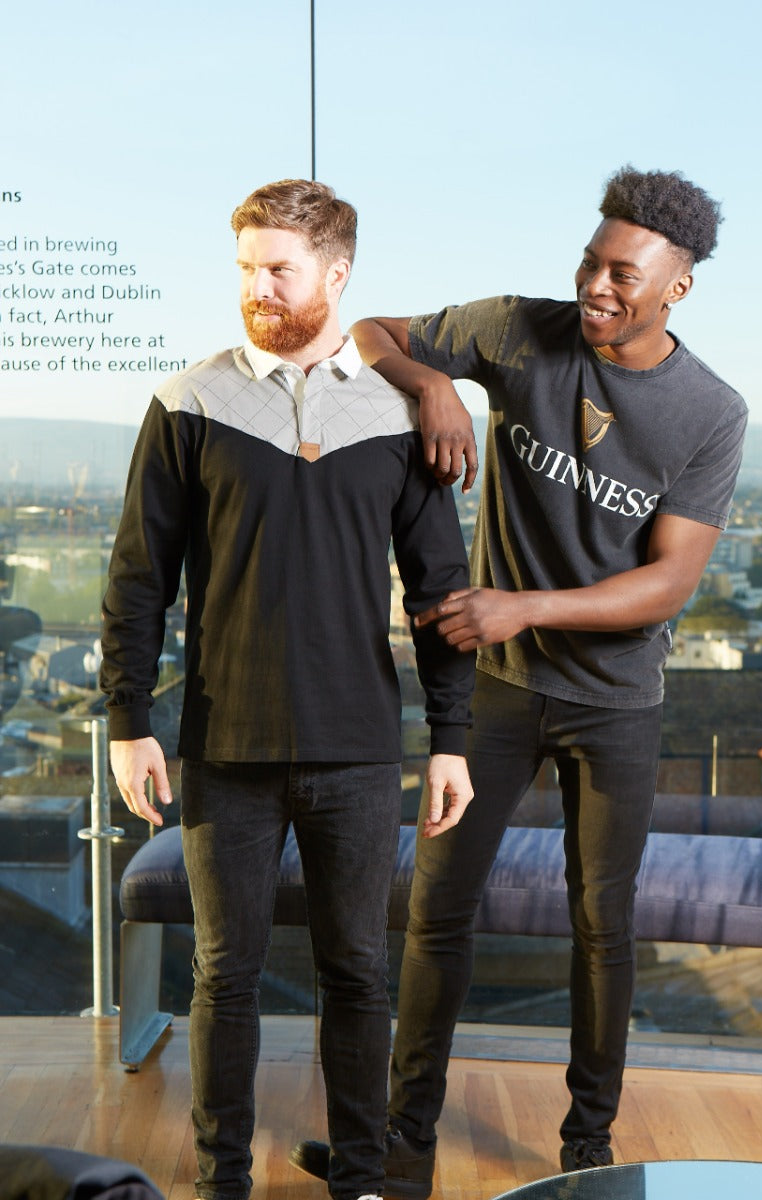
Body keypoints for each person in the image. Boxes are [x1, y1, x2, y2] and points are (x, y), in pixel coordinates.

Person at [290, 166, 748, 1187]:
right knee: (434, 909)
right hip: (496, 691)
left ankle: (586, 1154)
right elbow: (374, 331)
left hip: (616, 703)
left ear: (675, 286)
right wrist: (431, 385)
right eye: (590, 261)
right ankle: (399, 1149)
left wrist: (520, 607)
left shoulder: (709, 410)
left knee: (601, 923)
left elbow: (668, 583)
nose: (595, 284)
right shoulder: (514, 330)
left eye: (622, 273)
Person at [100, 179, 475, 1200]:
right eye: (245, 269)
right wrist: (127, 722)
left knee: (356, 972)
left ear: (336, 275)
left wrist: (449, 738)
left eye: (280, 268)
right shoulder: (188, 402)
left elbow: (440, 593)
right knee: (224, 977)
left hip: (359, 746)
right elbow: (140, 576)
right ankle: (221, 1180)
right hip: (225, 743)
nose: (256, 288)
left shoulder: (399, 415)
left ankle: (358, 1177)